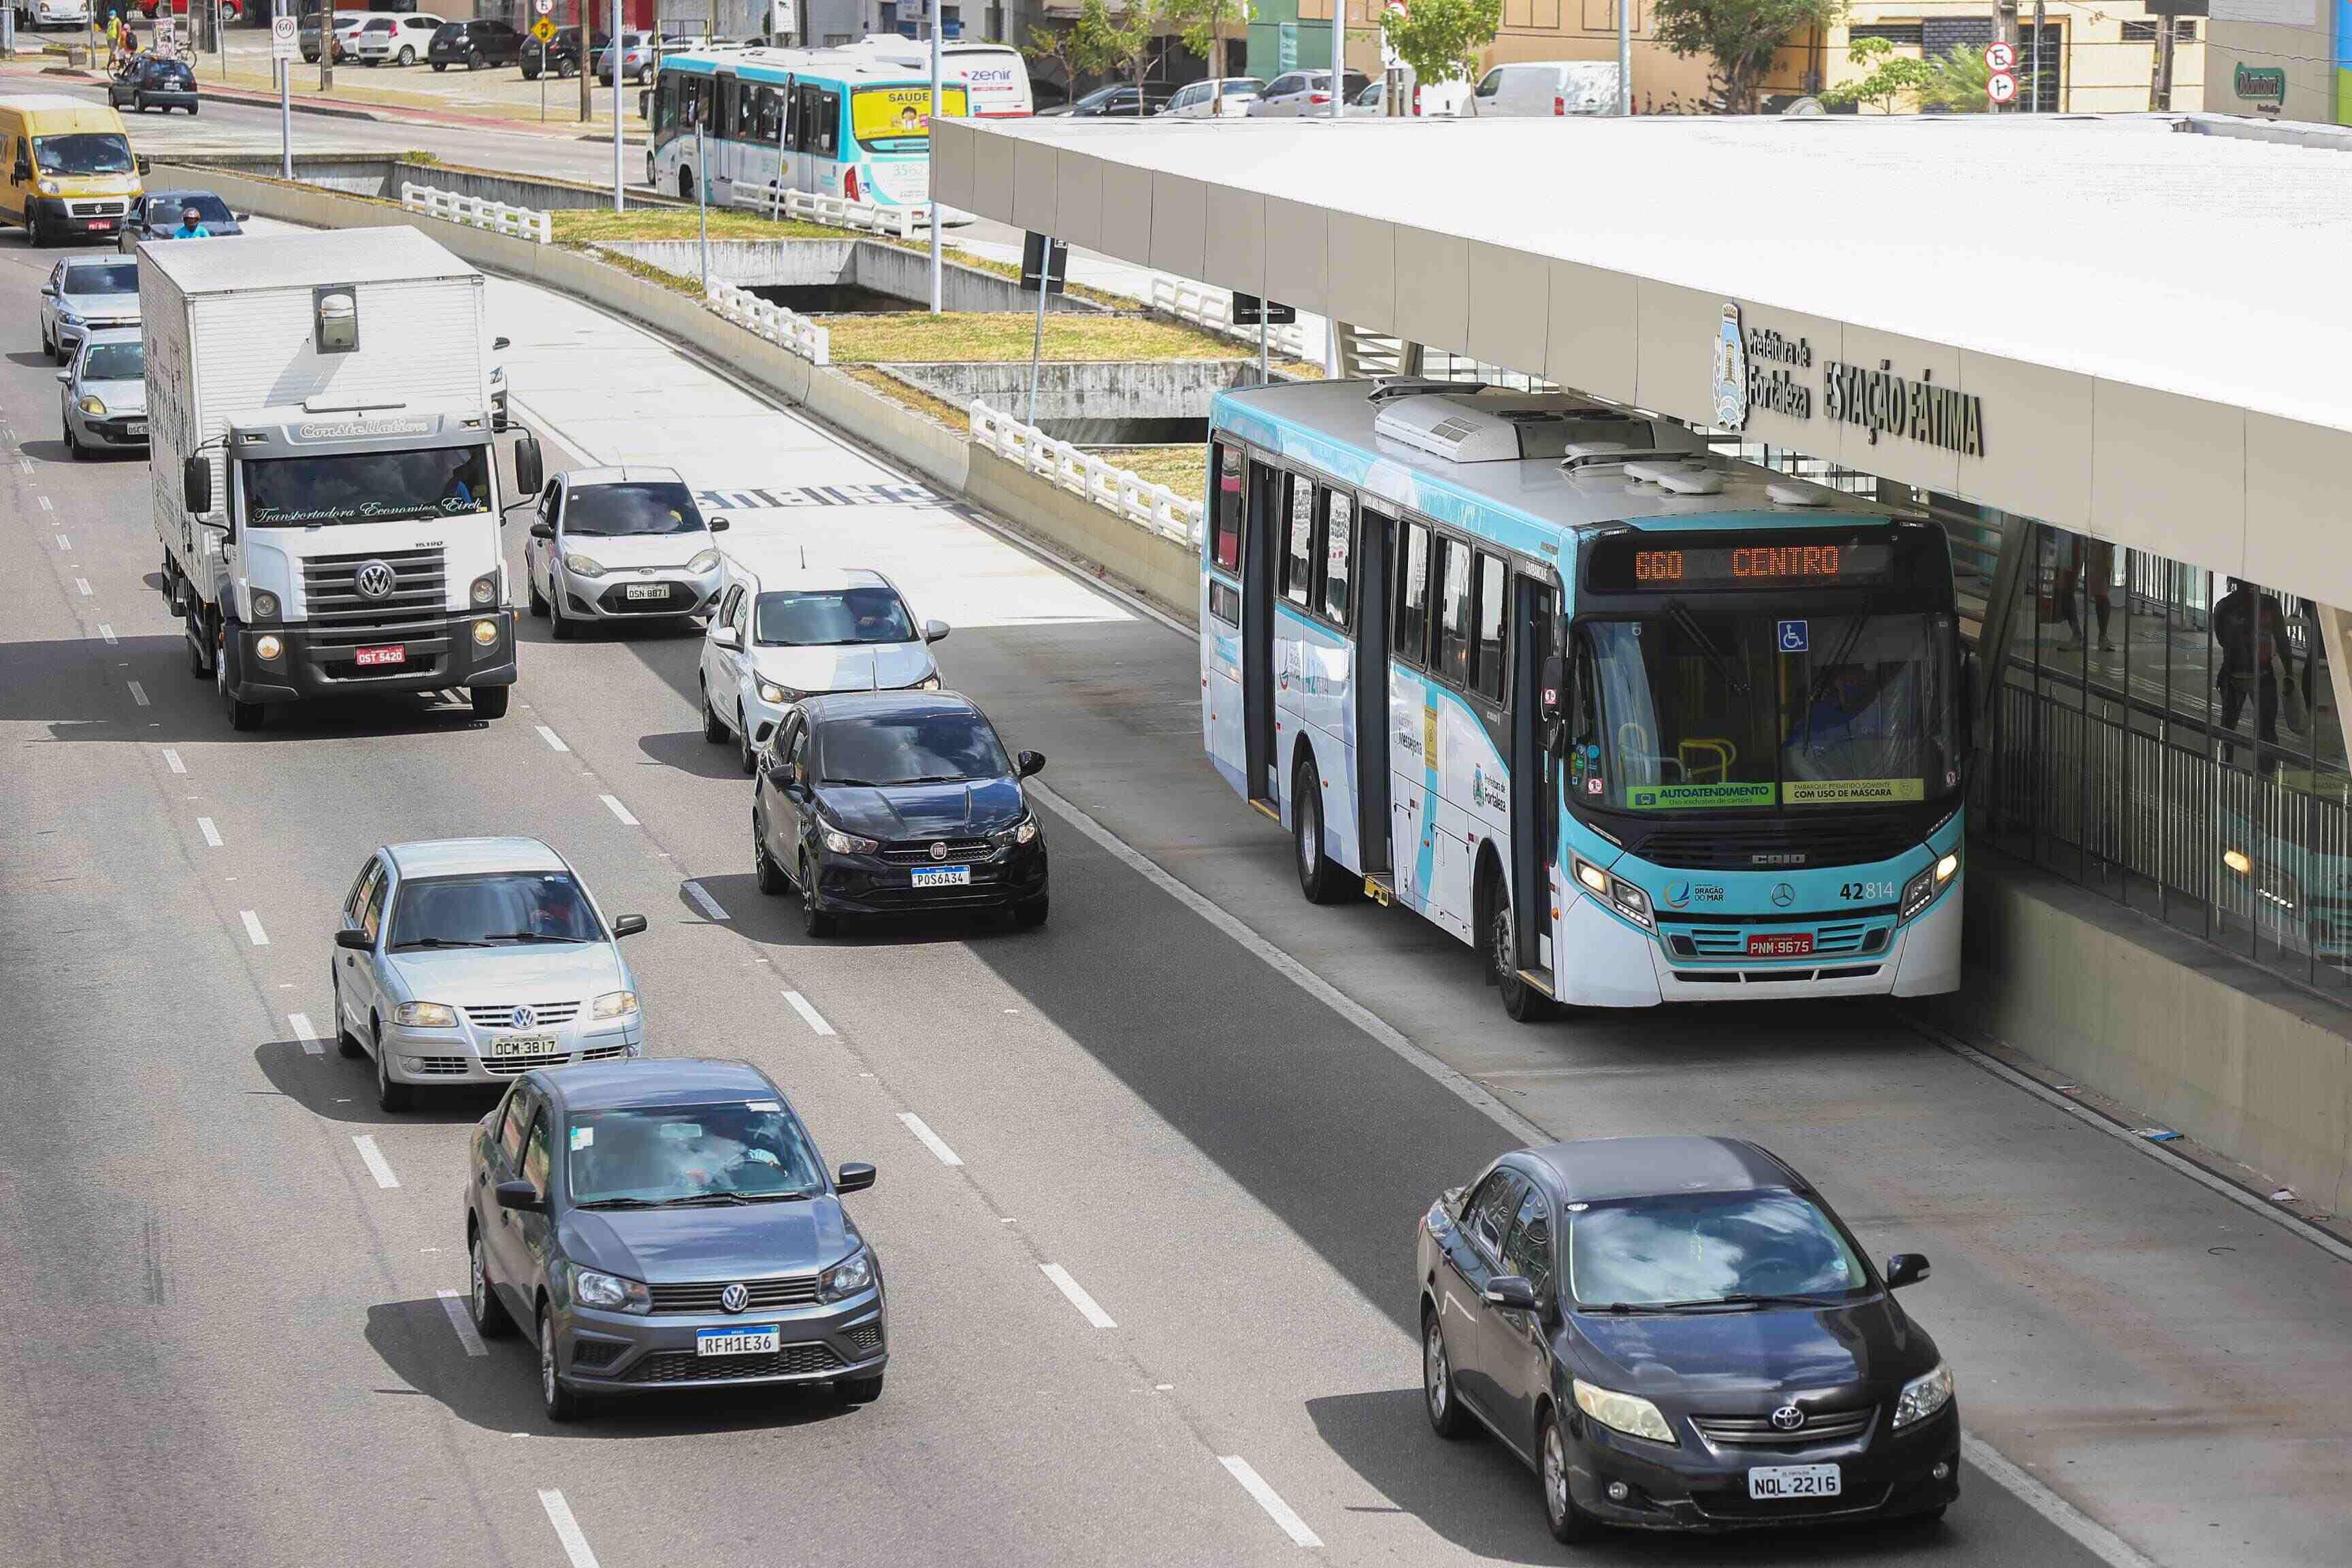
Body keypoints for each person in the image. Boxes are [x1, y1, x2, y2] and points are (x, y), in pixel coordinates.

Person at [2213, 578, 2291, 774]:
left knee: (2228, 725)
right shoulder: (2271, 605)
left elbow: (2222, 639)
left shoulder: (2223, 607)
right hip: (2262, 673)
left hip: (2233, 672)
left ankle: (2226, 766)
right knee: (2266, 729)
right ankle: (2265, 774)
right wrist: (2289, 674)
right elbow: (2282, 641)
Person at [2055, 534, 2114, 653]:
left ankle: (2102, 636)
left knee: (2101, 591)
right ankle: (2078, 635)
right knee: (2065, 587)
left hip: (2099, 535)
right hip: (2075, 534)